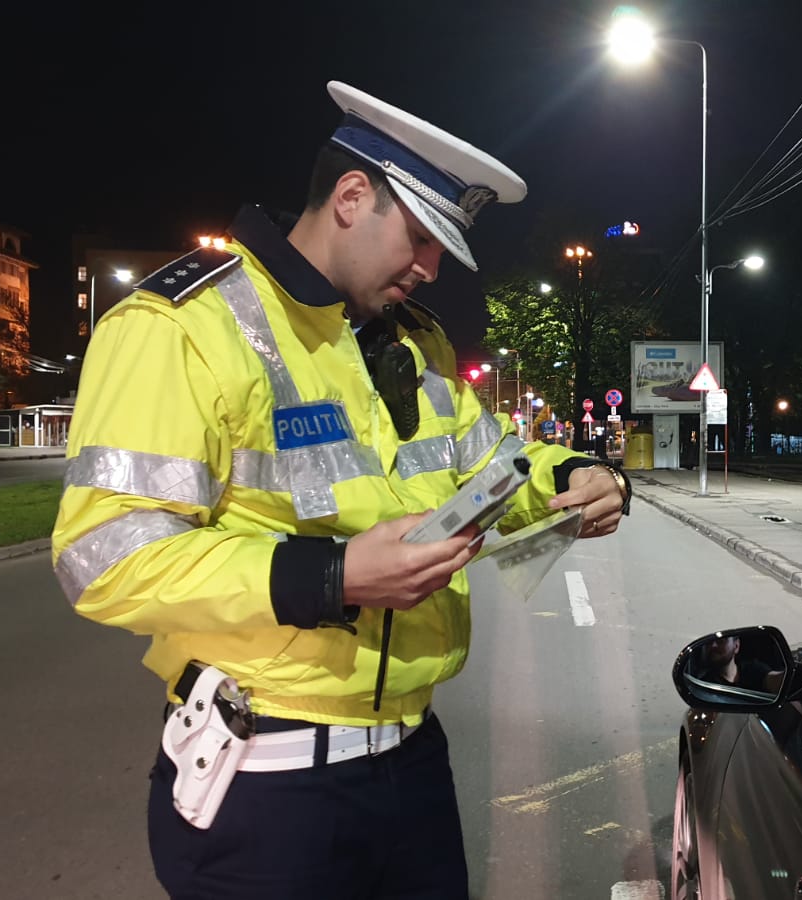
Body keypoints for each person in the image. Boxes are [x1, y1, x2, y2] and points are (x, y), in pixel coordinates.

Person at [50, 80, 633, 899]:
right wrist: (334, 576)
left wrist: (575, 475)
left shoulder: (414, 345)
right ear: (352, 197)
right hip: (265, 784)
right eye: (421, 238)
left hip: (411, 764)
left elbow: (493, 464)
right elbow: (103, 554)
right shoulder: (182, 326)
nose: (430, 268)